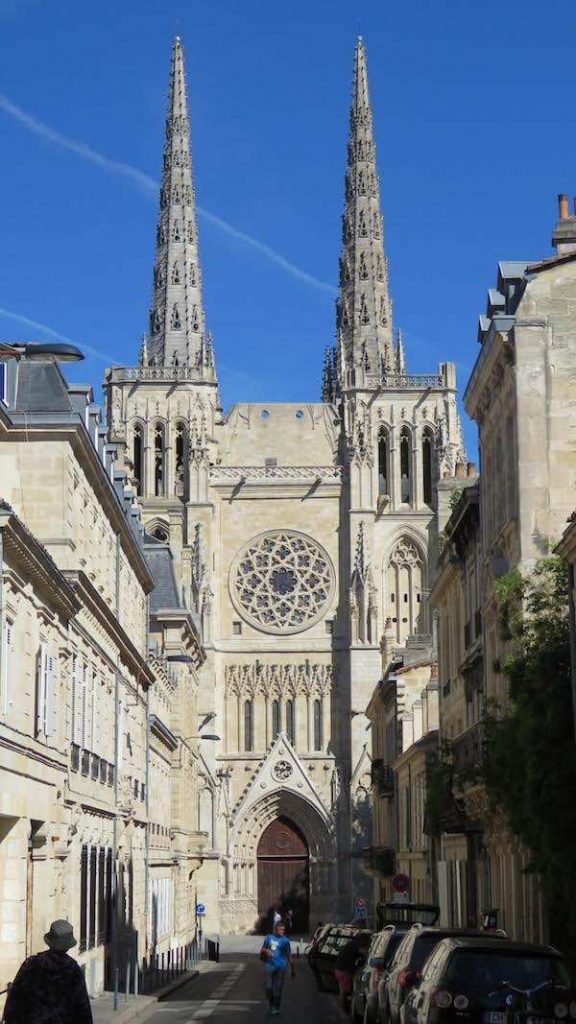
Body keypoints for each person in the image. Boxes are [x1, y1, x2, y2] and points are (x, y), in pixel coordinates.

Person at [3, 919, 93, 1024]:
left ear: (50, 942)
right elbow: (82, 1007)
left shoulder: (31, 964)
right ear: (68, 946)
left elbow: (15, 997)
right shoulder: (73, 970)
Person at [260, 920, 295, 1015]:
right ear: (276, 930)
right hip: (270, 966)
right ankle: (271, 1003)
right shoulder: (268, 938)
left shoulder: (285, 940)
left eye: (283, 930)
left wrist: (292, 969)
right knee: (268, 987)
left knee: (278, 988)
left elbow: (289, 955)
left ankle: (276, 1007)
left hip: (281, 967)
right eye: (281, 930)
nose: (282, 931)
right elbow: (262, 949)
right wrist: (266, 950)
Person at [334, 932, 371, 1013]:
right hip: (343, 971)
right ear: (363, 940)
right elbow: (351, 962)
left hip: (339, 969)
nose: (367, 944)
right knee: (344, 992)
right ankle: (344, 1010)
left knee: (342, 991)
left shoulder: (352, 944)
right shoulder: (355, 947)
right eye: (367, 942)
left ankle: (343, 1010)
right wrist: (354, 972)